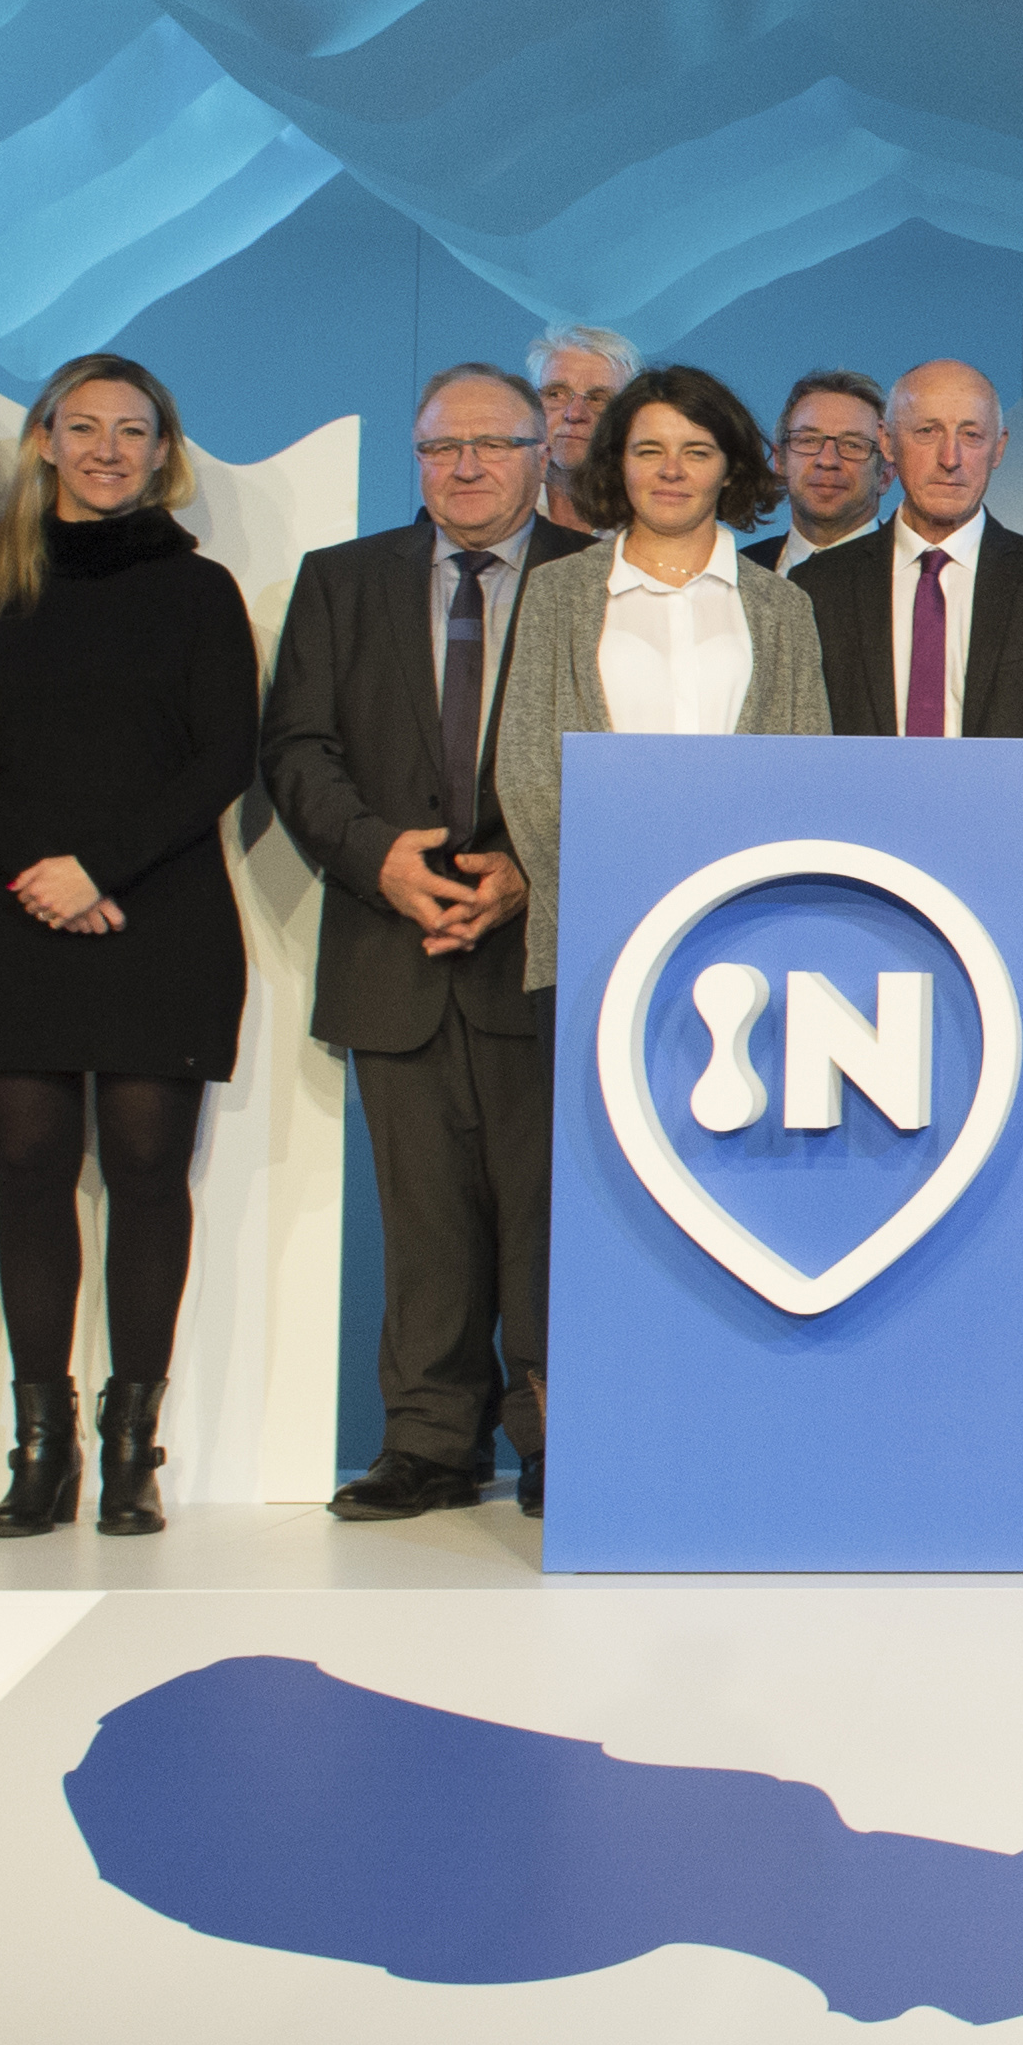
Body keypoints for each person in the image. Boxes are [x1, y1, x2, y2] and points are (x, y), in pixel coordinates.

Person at [0, 354, 259, 1539]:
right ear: (46, 439)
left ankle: (129, 1452)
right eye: (85, 426)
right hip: (15, 920)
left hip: (159, 917)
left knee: (150, 1173)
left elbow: (222, 757)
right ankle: (39, 1449)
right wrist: (40, 875)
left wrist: (97, 871)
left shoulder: (202, 592)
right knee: (29, 1171)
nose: (109, 448)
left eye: (135, 430)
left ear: (165, 450)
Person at [263, 364, 591, 1523]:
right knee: (424, 1220)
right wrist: (380, 862)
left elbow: (615, 752)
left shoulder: (596, 582)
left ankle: (556, 1436)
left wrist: (529, 868)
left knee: (552, 1212)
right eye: (440, 448)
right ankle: (429, 1442)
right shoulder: (340, 582)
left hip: (541, 949)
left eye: (491, 446)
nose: (463, 468)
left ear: (541, 449)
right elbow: (296, 749)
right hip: (389, 946)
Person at [500, 367, 831, 996]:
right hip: (586, 943)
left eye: (696, 452)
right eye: (648, 451)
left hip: (744, 944)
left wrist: (733, 904)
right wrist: (605, 901)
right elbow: (527, 773)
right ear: (618, 464)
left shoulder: (783, 608)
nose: (670, 471)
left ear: (730, 468)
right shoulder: (556, 594)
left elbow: (802, 774)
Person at [791, 360, 1023, 738]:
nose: (950, 458)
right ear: (888, 442)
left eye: (972, 435)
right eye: (927, 431)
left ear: (999, 448)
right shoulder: (818, 586)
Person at [740, 369, 891, 572]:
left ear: (886, 474)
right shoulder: (736, 575)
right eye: (808, 441)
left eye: (853, 445)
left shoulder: (921, 581)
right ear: (780, 461)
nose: (827, 460)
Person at [525, 325, 633, 535]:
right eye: (556, 394)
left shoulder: (648, 520)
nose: (574, 414)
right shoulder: (501, 507)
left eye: (598, 399)